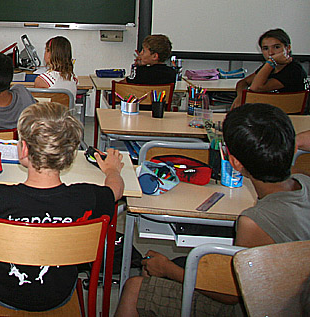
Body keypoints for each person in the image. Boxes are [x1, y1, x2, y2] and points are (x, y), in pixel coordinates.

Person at [116, 103, 310, 317]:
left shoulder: (254, 222)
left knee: (134, 288)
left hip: (260, 307)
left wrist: (167, 269)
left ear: (234, 162)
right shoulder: (305, 183)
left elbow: (230, 293)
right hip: (297, 298)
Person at [0, 102, 124, 312]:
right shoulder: (87, 197)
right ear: (69, 155)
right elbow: (115, 192)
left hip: (1, 291)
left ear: (23, 149)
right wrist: (112, 171)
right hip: (58, 293)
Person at [231, 28, 309, 109]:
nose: (271, 52)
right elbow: (243, 82)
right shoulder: (270, 66)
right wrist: (240, 97)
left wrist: (271, 62)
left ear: (288, 48)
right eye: (265, 48)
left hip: (290, 116)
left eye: (276, 47)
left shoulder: (294, 70)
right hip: (271, 112)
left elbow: (256, 88)